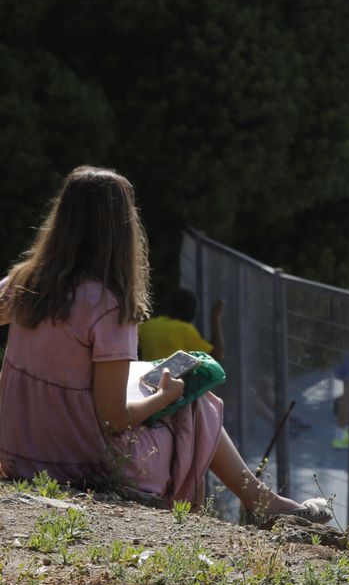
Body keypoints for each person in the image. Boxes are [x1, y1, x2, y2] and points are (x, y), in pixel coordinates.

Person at [0, 167, 331, 523]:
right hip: (80, 462)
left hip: (19, 452)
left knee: (152, 381)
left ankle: (261, 501)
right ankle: (260, 502)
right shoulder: (107, 307)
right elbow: (112, 420)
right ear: (123, 229)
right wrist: (164, 397)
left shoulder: (23, 283)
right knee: (194, 401)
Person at [139, 289, 223, 364]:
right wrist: (215, 320)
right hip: (172, 379)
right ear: (189, 311)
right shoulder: (185, 330)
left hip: (147, 378)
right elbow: (216, 355)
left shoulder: (149, 325)